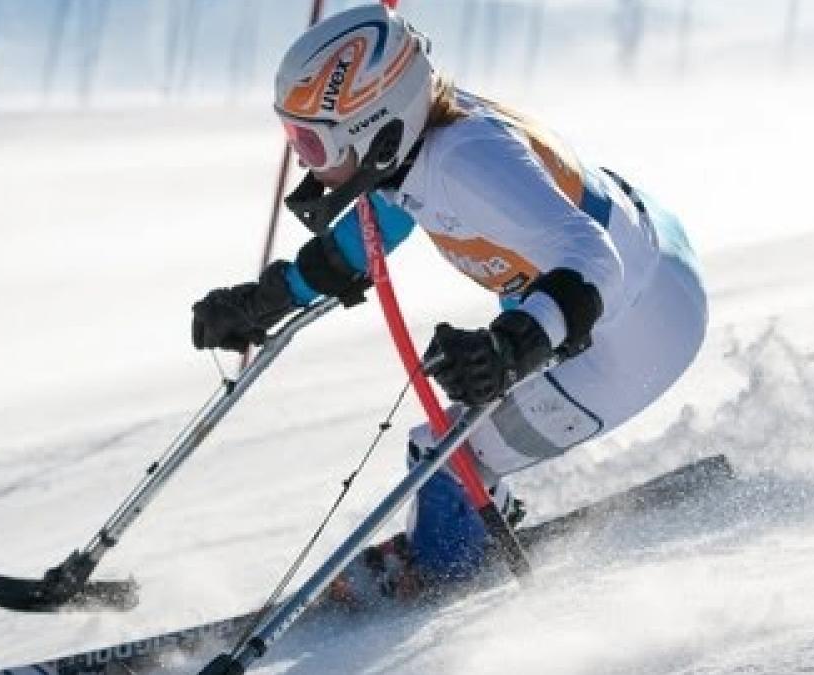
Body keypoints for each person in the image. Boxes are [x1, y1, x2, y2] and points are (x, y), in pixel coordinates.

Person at [190, 5, 707, 605]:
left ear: (374, 126)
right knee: (450, 438)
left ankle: (445, 573)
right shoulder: (423, 145)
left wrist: (509, 348)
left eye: (311, 141)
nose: (305, 161)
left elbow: (594, 260)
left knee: (443, 462)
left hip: (639, 328)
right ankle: (478, 522)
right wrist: (267, 299)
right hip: (646, 260)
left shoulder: (467, 162)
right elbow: (370, 235)